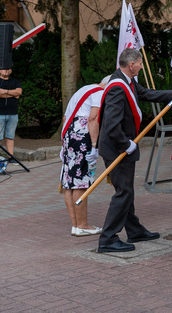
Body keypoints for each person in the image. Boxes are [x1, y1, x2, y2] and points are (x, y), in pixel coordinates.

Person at [96, 48, 172, 253]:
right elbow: (111, 124)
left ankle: (134, 230)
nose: (141, 66)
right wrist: (125, 144)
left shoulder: (128, 81)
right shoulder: (117, 87)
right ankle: (108, 238)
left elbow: (147, 94)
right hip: (117, 149)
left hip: (121, 147)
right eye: (140, 63)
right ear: (131, 65)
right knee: (123, 192)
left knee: (126, 191)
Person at [60, 78, 107, 237]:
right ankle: (83, 225)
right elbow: (92, 118)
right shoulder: (100, 93)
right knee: (80, 182)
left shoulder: (82, 91)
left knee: (69, 182)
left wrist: (64, 144)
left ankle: (76, 225)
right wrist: (94, 145)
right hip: (82, 136)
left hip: (69, 134)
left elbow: (66, 118)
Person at [0, 68, 22, 160]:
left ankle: (10, 156)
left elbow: (19, 92)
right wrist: (12, 93)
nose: (5, 70)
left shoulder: (15, 81)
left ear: (11, 70)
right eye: (3, 69)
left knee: (10, 136)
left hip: (13, 113)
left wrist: (5, 91)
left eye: (8, 69)